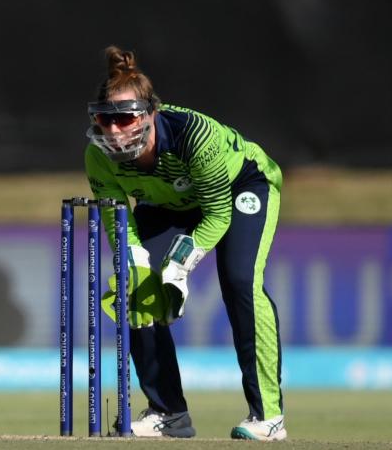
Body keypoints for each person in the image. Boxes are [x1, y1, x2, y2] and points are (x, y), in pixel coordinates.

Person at [87, 46, 286, 441]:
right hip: (164, 204)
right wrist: (138, 264)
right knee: (136, 289)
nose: (113, 130)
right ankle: (168, 413)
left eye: (124, 119)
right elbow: (117, 219)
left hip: (239, 189)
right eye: (105, 120)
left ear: (149, 114)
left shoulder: (196, 137)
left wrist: (179, 265)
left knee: (239, 282)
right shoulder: (99, 155)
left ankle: (268, 416)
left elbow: (217, 214)